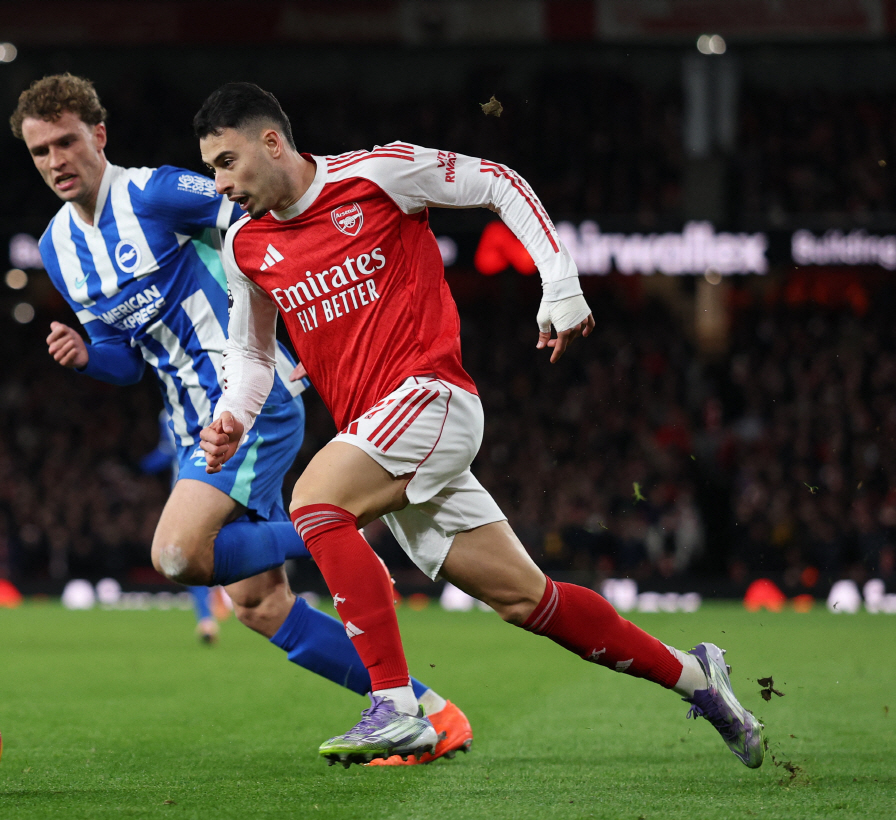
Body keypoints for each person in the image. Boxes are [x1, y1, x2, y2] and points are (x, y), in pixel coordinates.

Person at [195, 82, 764, 768]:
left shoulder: (376, 176)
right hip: (379, 435)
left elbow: (498, 182)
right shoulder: (245, 244)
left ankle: (397, 707)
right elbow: (253, 355)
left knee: (315, 502)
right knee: (527, 600)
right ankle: (696, 675)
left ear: (271, 142)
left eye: (226, 162)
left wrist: (559, 280)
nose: (219, 183)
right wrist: (232, 415)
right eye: (211, 169)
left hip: (429, 397)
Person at [11, 74, 470, 764]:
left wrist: (295, 333)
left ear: (98, 136)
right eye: (41, 151)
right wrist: (85, 357)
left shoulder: (157, 193)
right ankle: (430, 710)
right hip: (188, 424)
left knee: (177, 553)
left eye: (67, 142)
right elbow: (123, 360)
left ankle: (333, 527)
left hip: (244, 405)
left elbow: (262, 224)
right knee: (258, 606)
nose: (56, 161)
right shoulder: (56, 248)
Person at [138, 410, 230, 644]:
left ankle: (210, 609)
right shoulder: (168, 414)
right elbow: (168, 451)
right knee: (191, 554)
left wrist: (138, 466)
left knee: (185, 555)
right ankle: (213, 603)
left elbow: (167, 453)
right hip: (203, 491)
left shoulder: (187, 411)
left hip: (198, 491)